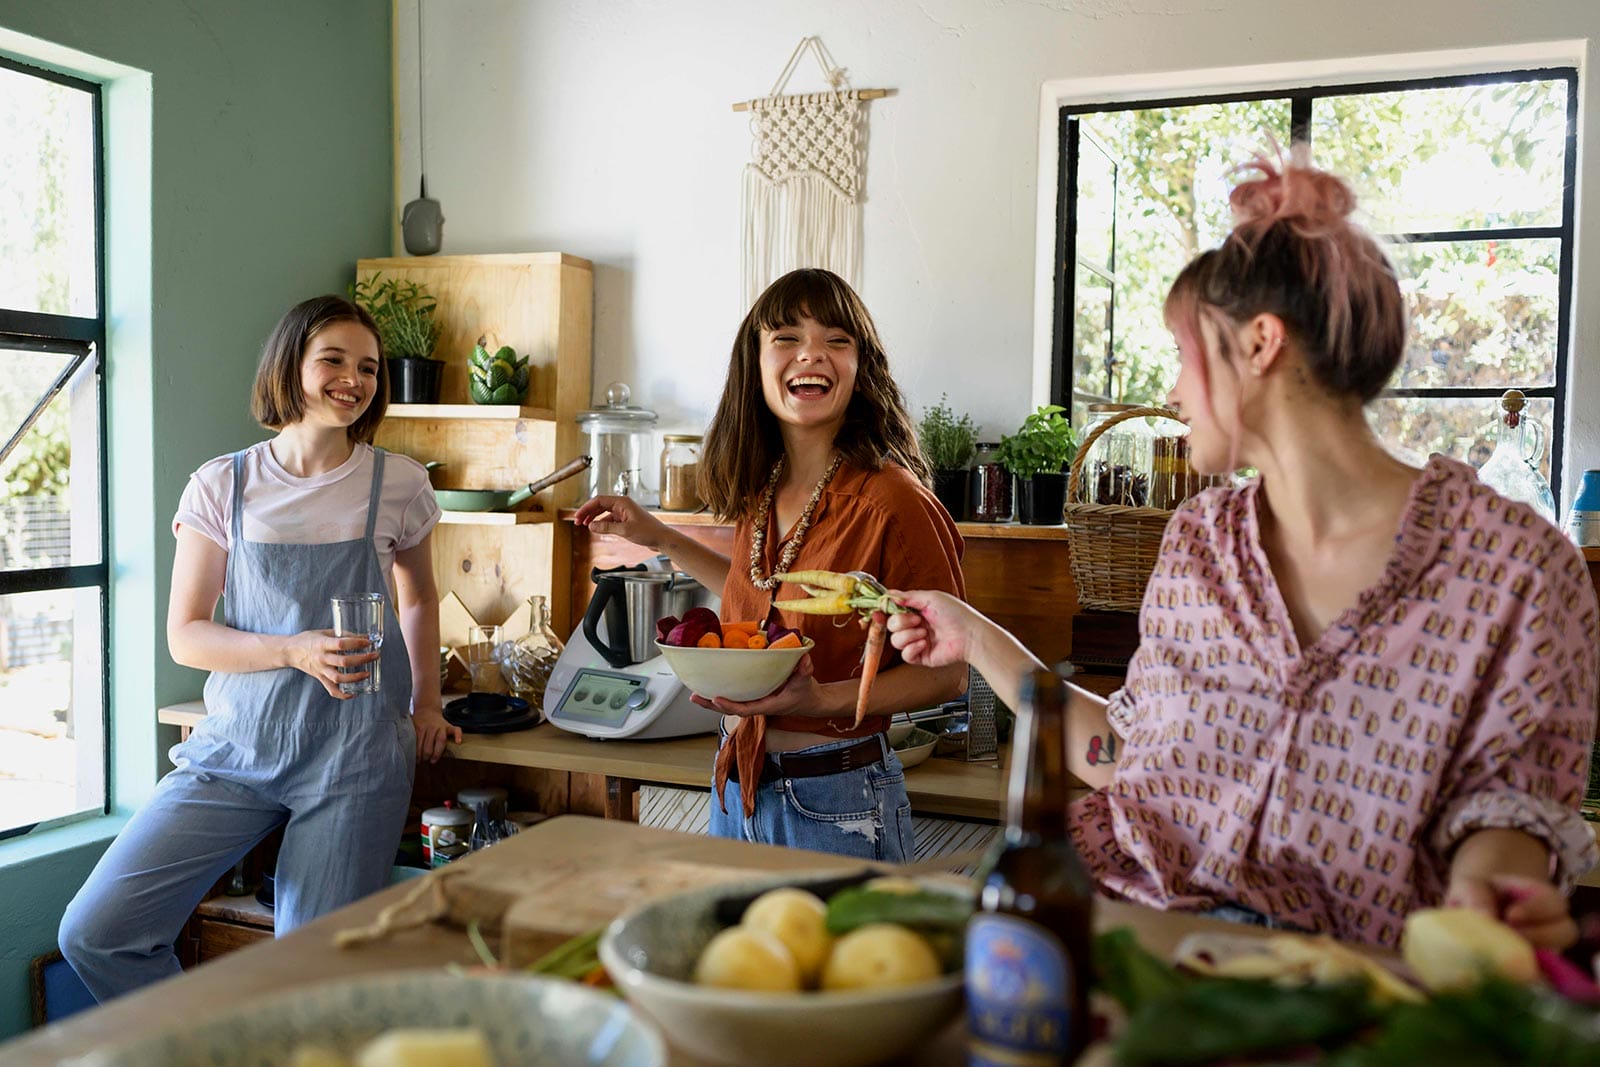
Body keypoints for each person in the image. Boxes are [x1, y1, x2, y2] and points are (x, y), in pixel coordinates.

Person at [887, 153, 1598, 950]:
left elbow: (1510, 805)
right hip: (1130, 948)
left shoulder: (1518, 572)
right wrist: (970, 633)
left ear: (1261, 343)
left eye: (1186, 358)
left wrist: (1491, 884)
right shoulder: (1197, 545)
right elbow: (1131, 756)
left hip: (1340, 992)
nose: (1176, 394)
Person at [59, 295, 462, 1001]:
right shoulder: (222, 484)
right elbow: (186, 633)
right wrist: (294, 649)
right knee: (96, 930)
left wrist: (425, 702)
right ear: (290, 366)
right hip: (236, 748)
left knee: (305, 981)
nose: (354, 378)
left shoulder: (397, 482)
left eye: (368, 367)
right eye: (332, 359)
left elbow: (421, 598)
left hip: (356, 754)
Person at [575, 268, 966, 861]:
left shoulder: (893, 500)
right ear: (754, 362)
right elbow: (757, 596)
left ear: (862, 369)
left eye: (837, 339)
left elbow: (950, 674)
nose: (812, 352)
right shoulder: (765, 487)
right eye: (785, 337)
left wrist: (817, 702)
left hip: (836, 796)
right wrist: (654, 534)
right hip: (736, 784)